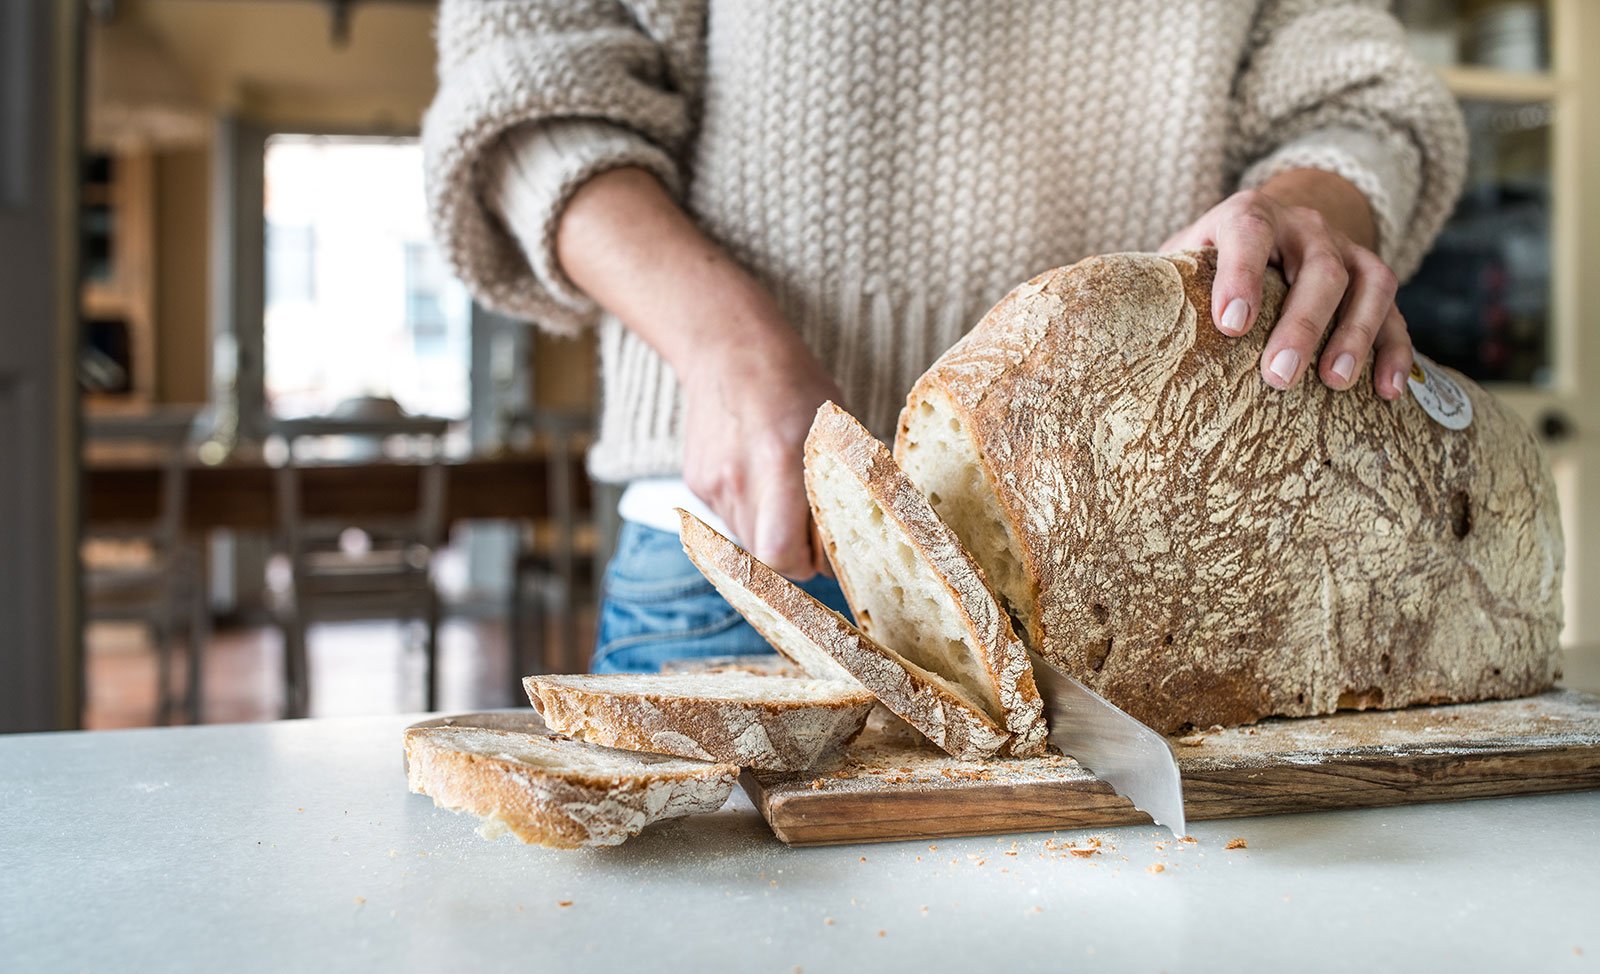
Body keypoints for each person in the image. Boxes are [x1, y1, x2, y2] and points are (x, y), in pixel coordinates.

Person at [423, 0, 1466, 673]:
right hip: (765, 559)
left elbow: (1365, 103)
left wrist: (1299, 208)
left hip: (1159, 572)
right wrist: (723, 346)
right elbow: (526, 80)